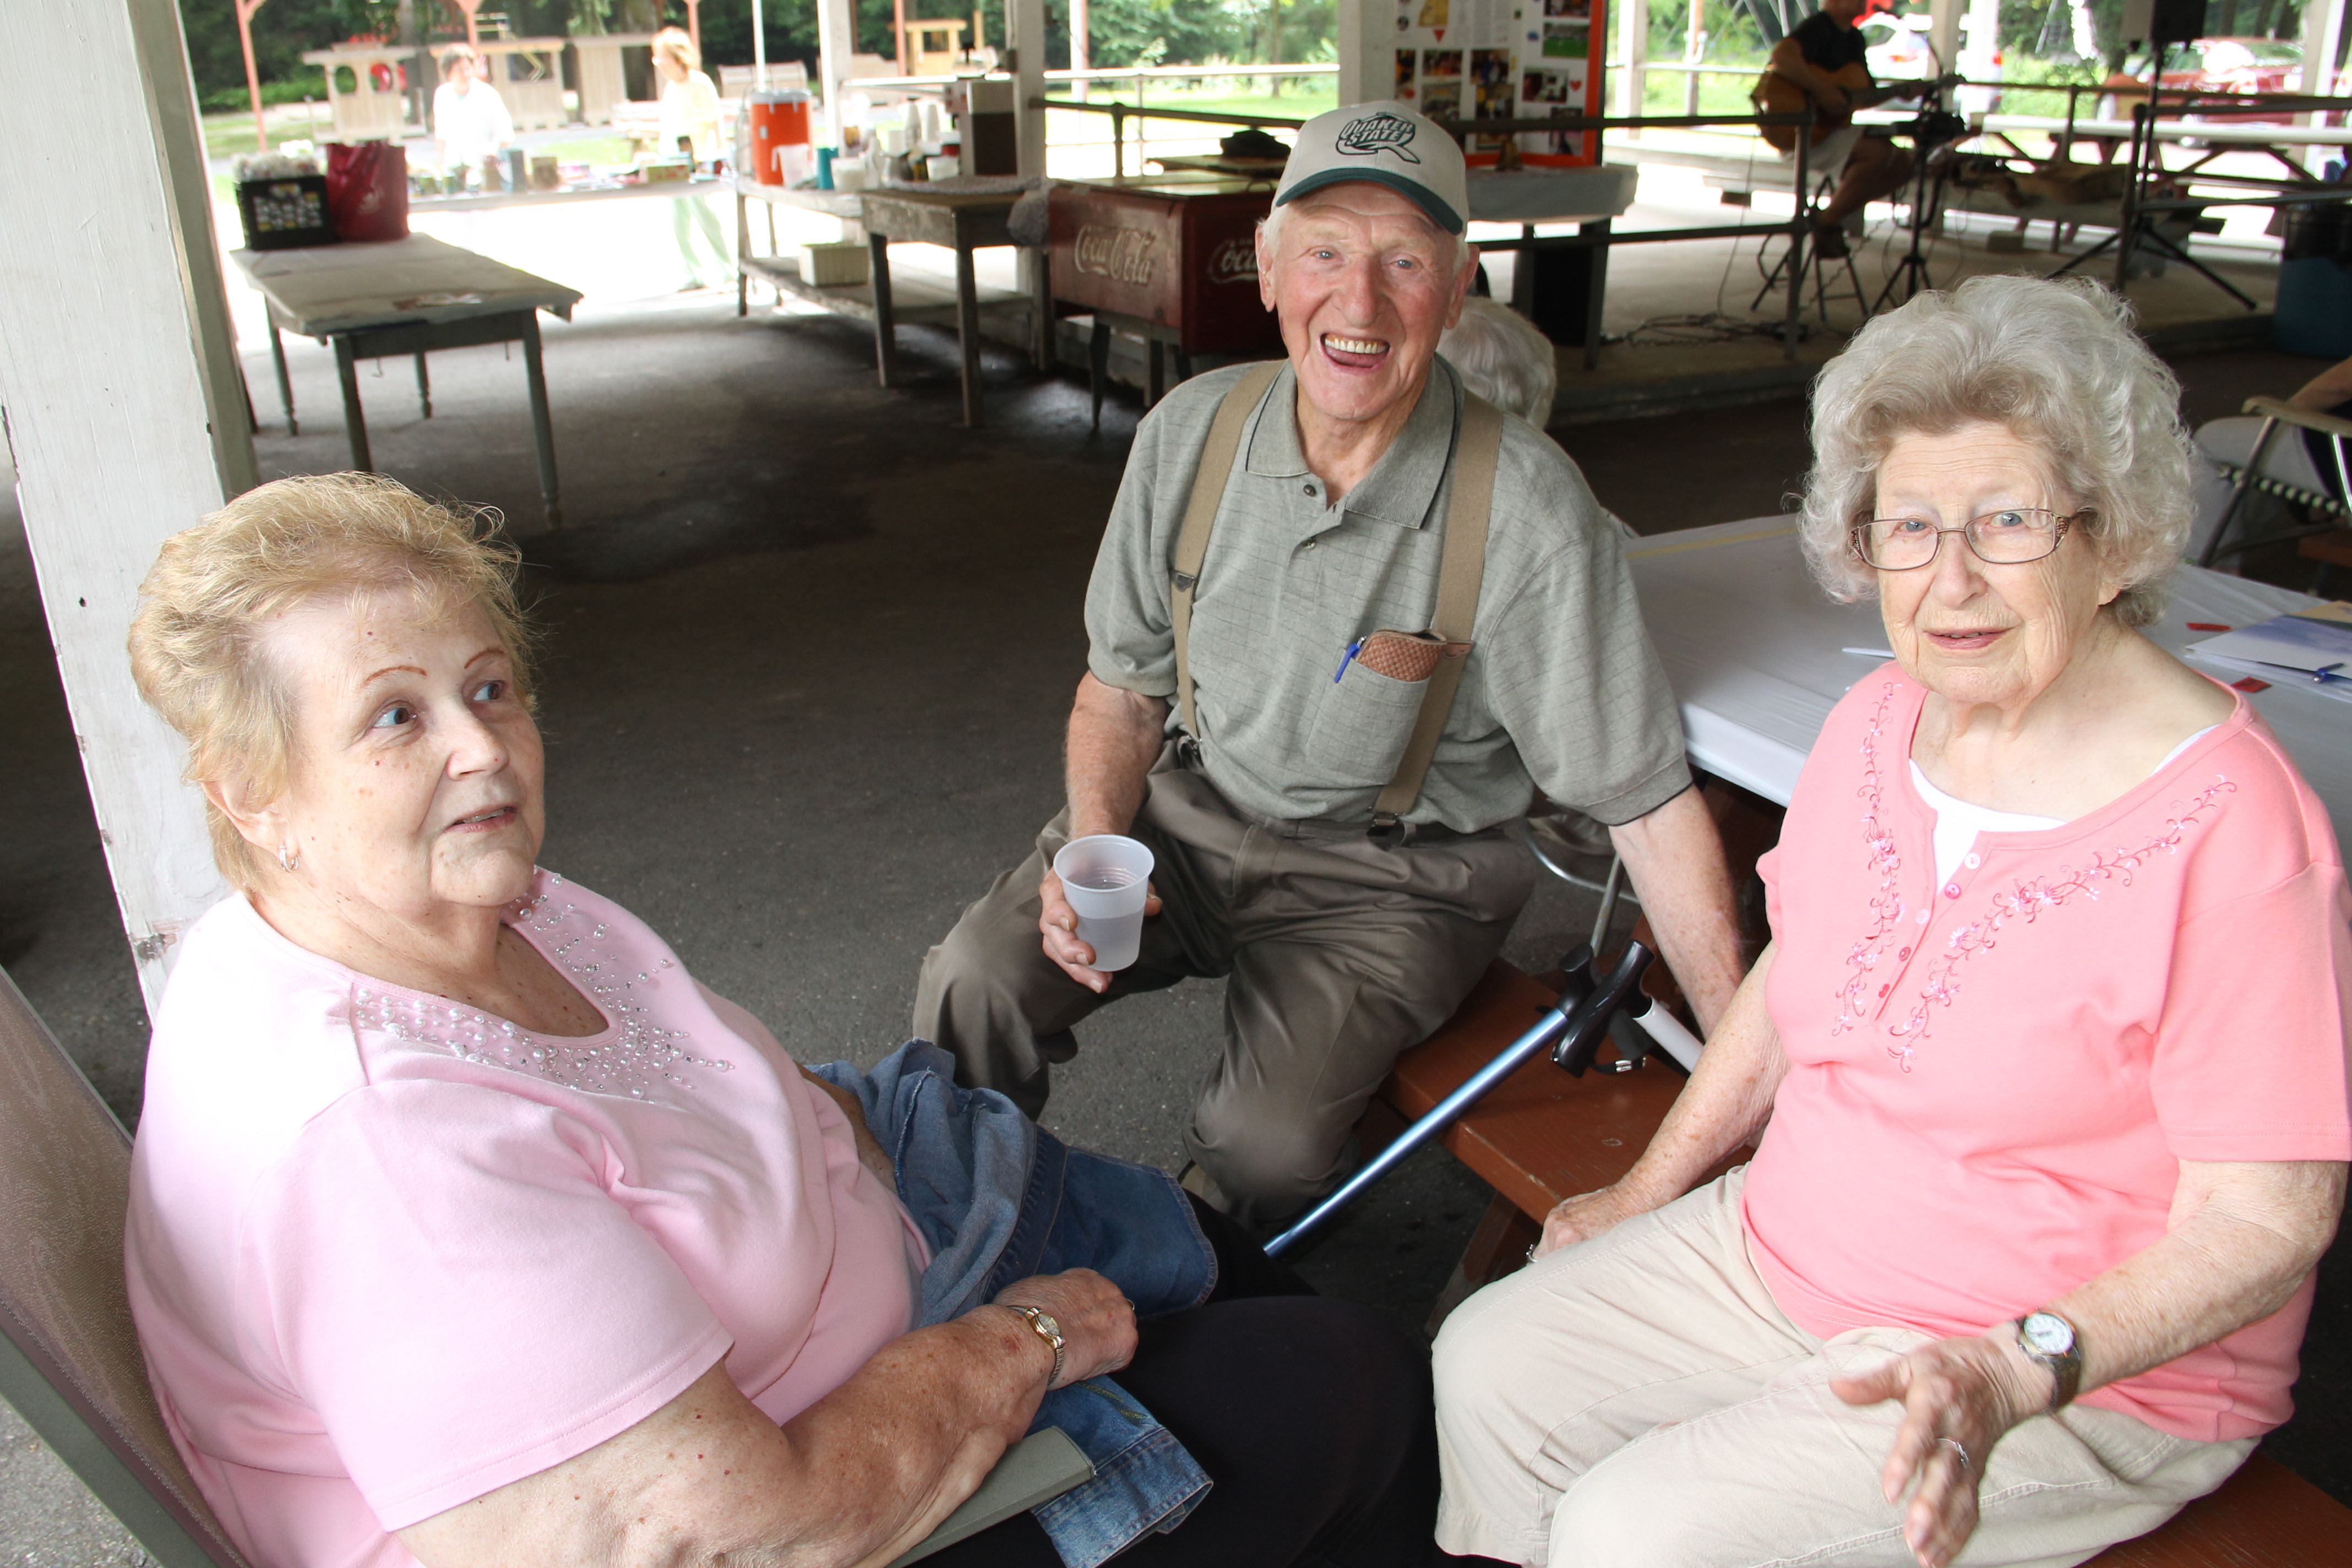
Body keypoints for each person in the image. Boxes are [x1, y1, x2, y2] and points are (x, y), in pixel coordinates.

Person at [121, 473, 1440, 1568]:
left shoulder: (430, 899)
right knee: (1357, 1379)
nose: (483, 748)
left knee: (1219, 1256)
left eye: (490, 686)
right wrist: (1022, 1340)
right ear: (250, 792)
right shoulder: (383, 1153)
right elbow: (729, 1527)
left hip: (878, 1243)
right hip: (844, 1484)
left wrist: (851, 1145)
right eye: (395, 715)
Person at [1432, 275, 2351, 1568]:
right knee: (1488, 1358)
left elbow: (2266, 1218)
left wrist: (2023, 1361)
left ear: (2112, 537)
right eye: (1909, 526)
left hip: (2064, 1363)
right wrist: (1646, 1185)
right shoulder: (1877, 724)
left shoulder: (2235, 825)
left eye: (2008, 520)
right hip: (1790, 1247)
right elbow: (1796, 977)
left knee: (1632, 1532)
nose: (1950, 579)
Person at [913, 101, 1748, 1229]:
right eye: (1324, 253)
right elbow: (1121, 691)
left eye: (1403, 260)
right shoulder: (1189, 433)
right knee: (971, 983)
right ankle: (958, 1226)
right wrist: (1094, 848)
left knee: (1265, 1152)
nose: (1358, 304)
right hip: (1193, 812)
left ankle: (1204, 1262)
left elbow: (1644, 807)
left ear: (1456, 291)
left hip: (1397, 881)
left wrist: (1745, 1080)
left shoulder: (1531, 512)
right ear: (1267, 269)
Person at [1766, 0, 1917, 254]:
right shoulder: (1819, 27)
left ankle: (1828, 219)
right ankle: (1827, 223)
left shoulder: (1855, 38)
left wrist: (1900, 92)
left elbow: (1861, 95)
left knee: (1903, 165)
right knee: (1878, 153)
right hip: (1805, 133)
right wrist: (1821, 91)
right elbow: (1781, 57)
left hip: (1832, 130)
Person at [2187, 351, 2352, 560]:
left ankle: (2214, 563)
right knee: (2266, 452)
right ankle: (2237, 539)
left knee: (2212, 440)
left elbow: (2337, 388)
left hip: (2341, 455)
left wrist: (2284, 412)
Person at [653, 25, 733, 291]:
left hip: (699, 161)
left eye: (662, 57)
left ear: (677, 57)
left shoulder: (700, 83)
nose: (658, 63)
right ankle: (692, 273)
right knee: (679, 220)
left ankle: (727, 270)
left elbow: (715, 122)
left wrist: (720, 156)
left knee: (705, 215)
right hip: (672, 161)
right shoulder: (670, 88)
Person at [431, 43, 514, 192]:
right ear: (449, 72)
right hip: (453, 169)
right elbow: (441, 136)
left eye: (469, 68)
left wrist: (493, 154)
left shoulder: (487, 95)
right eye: (459, 70)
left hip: (483, 170)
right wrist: (442, 168)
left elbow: (506, 136)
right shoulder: (442, 95)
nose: (466, 74)